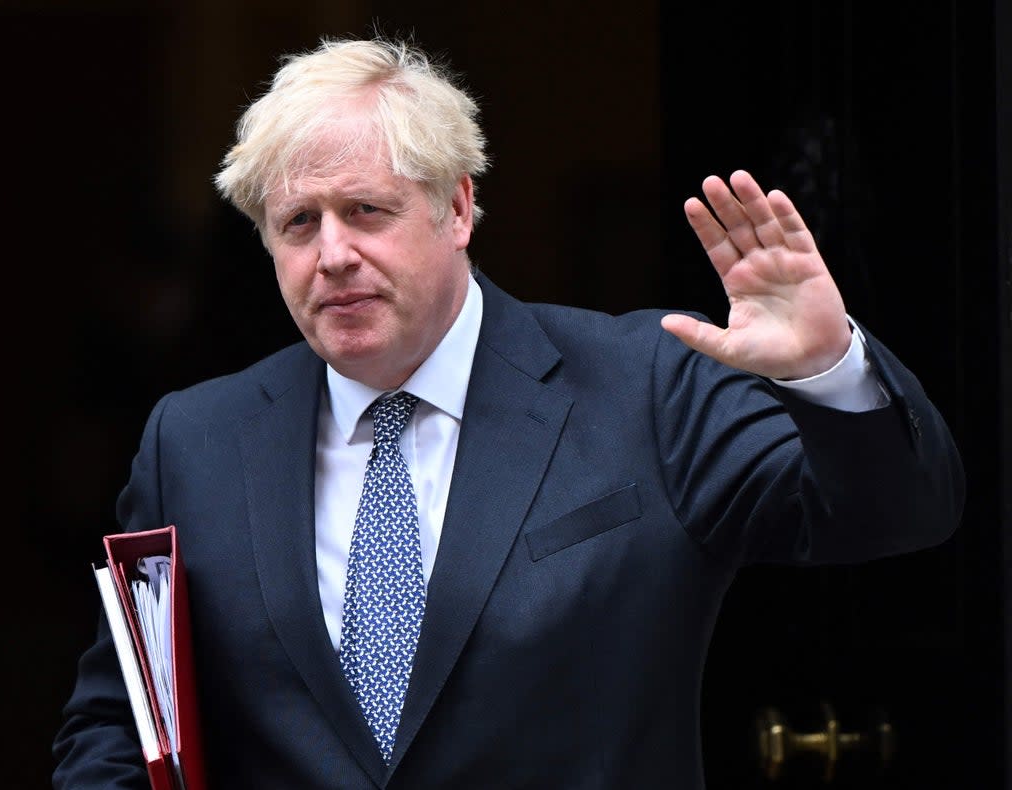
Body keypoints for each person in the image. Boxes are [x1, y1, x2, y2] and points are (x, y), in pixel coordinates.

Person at [53, 38, 964, 788]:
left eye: (366, 210)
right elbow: (124, 725)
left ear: (457, 209)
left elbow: (895, 515)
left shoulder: (647, 384)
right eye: (299, 224)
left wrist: (826, 368)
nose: (332, 253)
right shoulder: (196, 440)